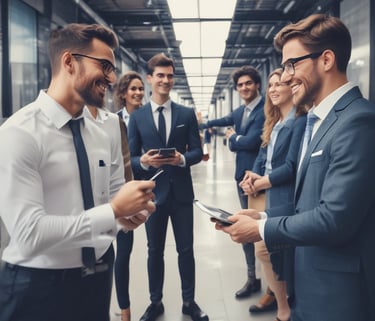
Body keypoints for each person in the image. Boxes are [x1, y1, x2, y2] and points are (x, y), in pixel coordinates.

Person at [216, 14, 375, 321]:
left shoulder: (358, 122)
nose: (286, 77)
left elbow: (335, 219)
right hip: (309, 285)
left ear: (326, 59)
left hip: (336, 296)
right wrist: (263, 215)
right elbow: (309, 204)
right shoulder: (318, 120)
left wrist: (261, 229)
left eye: (292, 64)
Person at [0, 23, 156, 321]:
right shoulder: (19, 133)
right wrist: (112, 211)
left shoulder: (103, 130)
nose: (112, 78)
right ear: (69, 61)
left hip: (97, 276)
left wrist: (127, 216)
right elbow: (29, 233)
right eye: (105, 66)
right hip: (37, 286)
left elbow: (111, 200)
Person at [128, 53, 207, 321]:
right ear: (150, 79)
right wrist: (146, 161)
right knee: (154, 251)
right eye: (160, 75)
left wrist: (182, 158)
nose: (166, 80)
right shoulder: (137, 117)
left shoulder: (186, 114)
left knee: (186, 250)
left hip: (182, 193)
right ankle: (155, 302)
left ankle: (189, 301)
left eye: (170, 75)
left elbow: (197, 151)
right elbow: (131, 158)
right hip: (153, 195)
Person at [239, 68, 307, 321]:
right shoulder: (274, 121)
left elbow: (291, 167)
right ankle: (283, 303)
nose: (274, 89)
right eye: (271, 85)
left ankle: (285, 306)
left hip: (279, 192)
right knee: (263, 250)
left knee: (275, 250)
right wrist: (251, 176)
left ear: (292, 87)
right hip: (261, 190)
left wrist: (262, 182)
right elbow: (262, 155)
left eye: (280, 84)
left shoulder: (300, 121)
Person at [200, 66, 265, 300]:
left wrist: (232, 138)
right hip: (242, 178)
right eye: (240, 85)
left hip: (259, 179)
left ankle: (275, 285)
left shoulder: (266, 108)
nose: (244, 87)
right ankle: (252, 278)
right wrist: (196, 122)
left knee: (264, 232)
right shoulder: (240, 111)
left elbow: (249, 142)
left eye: (248, 83)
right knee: (244, 228)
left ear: (257, 84)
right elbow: (220, 120)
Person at [113, 71, 145, 321]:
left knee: (126, 252)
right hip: (115, 192)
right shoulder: (111, 122)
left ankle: (125, 308)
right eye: (132, 89)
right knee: (114, 255)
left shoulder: (147, 118)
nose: (137, 93)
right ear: (123, 93)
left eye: (140, 89)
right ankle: (124, 308)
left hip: (141, 190)